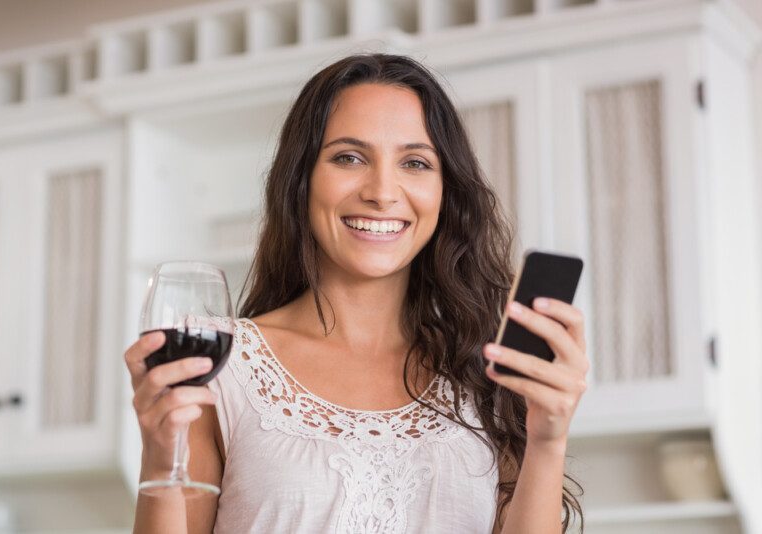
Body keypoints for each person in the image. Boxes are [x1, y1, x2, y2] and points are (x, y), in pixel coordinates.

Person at [124, 53, 588, 533]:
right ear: (301, 180)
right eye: (349, 157)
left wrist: (547, 440)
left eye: (415, 162)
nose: (383, 191)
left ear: (445, 192)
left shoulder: (482, 372)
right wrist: (160, 459)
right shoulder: (221, 368)